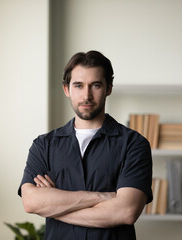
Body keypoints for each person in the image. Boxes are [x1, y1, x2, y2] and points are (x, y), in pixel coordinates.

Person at [18, 50, 153, 240]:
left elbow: (126, 212)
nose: (86, 95)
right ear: (67, 90)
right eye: (79, 86)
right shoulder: (43, 145)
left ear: (109, 88)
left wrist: (54, 206)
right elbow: (31, 202)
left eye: (95, 85)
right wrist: (103, 197)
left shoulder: (134, 144)